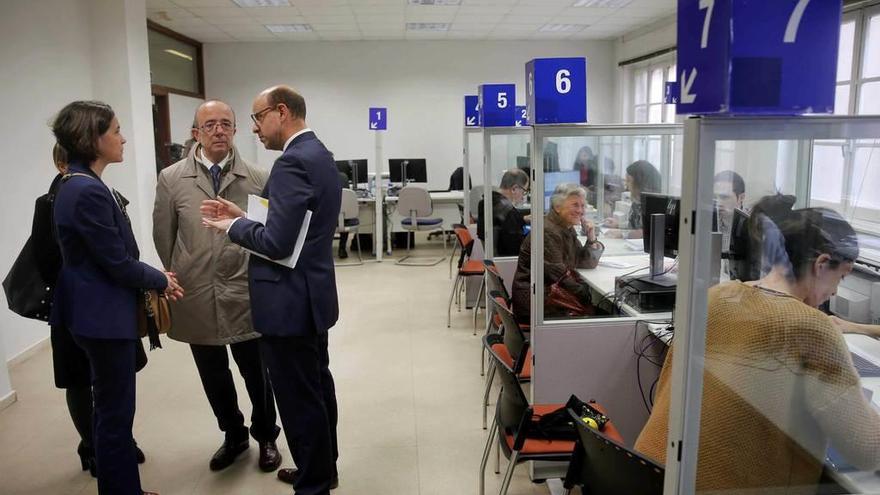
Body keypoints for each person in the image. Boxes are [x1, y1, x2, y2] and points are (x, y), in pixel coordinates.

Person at [635, 195, 880, 493]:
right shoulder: (810, 327)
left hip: (650, 474)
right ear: (822, 263)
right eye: (839, 278)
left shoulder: (717, 295)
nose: (834, 291)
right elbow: (867, 450)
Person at [201, 85, 340, 494]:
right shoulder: (319, 154)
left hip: (288, 303)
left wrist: (232, 227)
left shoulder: (292, 163)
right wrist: (245, 214)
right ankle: (323, 468)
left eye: (258, 118)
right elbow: (295, 224)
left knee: (299, 400)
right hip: (311, 298)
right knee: (317, 387)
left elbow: (279, 244)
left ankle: (312, 484)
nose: (255, 128)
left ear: (282, 112)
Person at [50, 100, 184, 495]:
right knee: (114, 415)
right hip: (102, 316)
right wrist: (160, 278)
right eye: (116, 131)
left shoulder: (79, 183)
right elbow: (116, 262)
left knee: (113, 412)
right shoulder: (86, 191)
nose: (124, 138)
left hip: (93, 310)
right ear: (93, 139)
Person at [152, 100, 282, 473]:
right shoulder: (172, 178)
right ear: (196, 133)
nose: (219, 131)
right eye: (209, 125)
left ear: (236, 130)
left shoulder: (256, 177)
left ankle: (266, 435)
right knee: (213, 373)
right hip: (196, 290)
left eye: (226, 123)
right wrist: (182, 270)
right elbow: (165, 235)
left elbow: (266, 237)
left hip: (244, 288)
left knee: (256, 371)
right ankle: (234, 434)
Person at [511, 183, 604, 325]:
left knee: (604, 311)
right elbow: (560, 276)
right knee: (606, 316)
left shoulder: (565, 227)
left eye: (582, 206)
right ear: (557, 207)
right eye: (575, 205)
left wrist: (591, 237)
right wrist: (588, 295)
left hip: (550, 296)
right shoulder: (548, 231)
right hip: (537, 302)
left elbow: (585, 262)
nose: (580, 211)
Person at [476, 168, 530, 257]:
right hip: (508, 264)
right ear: (514, 189)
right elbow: (517, 249)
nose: (523, 197)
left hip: (495, 261)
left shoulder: (485, 203)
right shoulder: (510, 213)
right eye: (524, 191)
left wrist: (522, 219)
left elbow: (501, 227)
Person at [604, 160, 661, 239]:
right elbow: (634, 225)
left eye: (629, 181)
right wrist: (618, 224)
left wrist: (623, 234)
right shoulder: (637, 201)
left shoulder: (654, 204)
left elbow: (646, 232)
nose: (626, 185)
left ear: (640, 183)